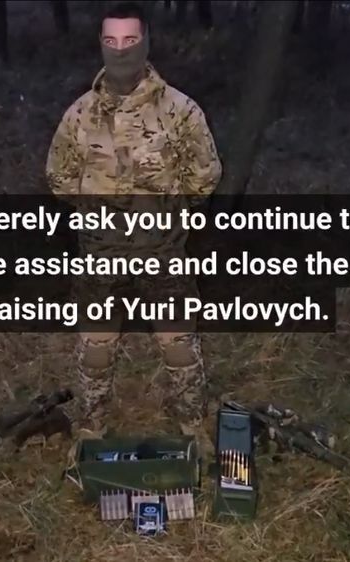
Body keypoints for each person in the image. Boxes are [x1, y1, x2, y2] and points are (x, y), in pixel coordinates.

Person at [45, 2, 222, 445]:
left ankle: (192, 427)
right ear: (100, 44)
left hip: (163, 253)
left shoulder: (180, 110)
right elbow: (59, 178)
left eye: (129, 40)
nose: (120, 50)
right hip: (100, 256)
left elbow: (204, 177)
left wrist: (167, 216)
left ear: (145, 42)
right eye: (111, 41)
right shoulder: (80, 114)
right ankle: (91, 430)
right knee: (95, 351)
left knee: (179, 347)